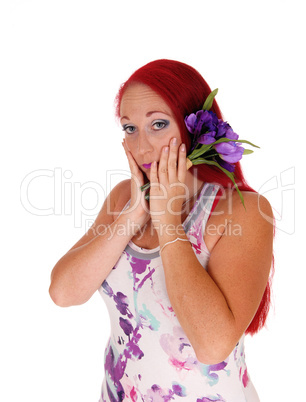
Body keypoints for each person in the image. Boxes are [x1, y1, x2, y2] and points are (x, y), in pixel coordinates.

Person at [49, 59, 274, 401]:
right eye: (129, 128)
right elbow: (63, 293)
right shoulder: (124, 197)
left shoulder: (243, 211)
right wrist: (134, 213)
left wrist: (168, 222)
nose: (141, 148)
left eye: (157, 124)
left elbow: (212, 346)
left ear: (194, 127)